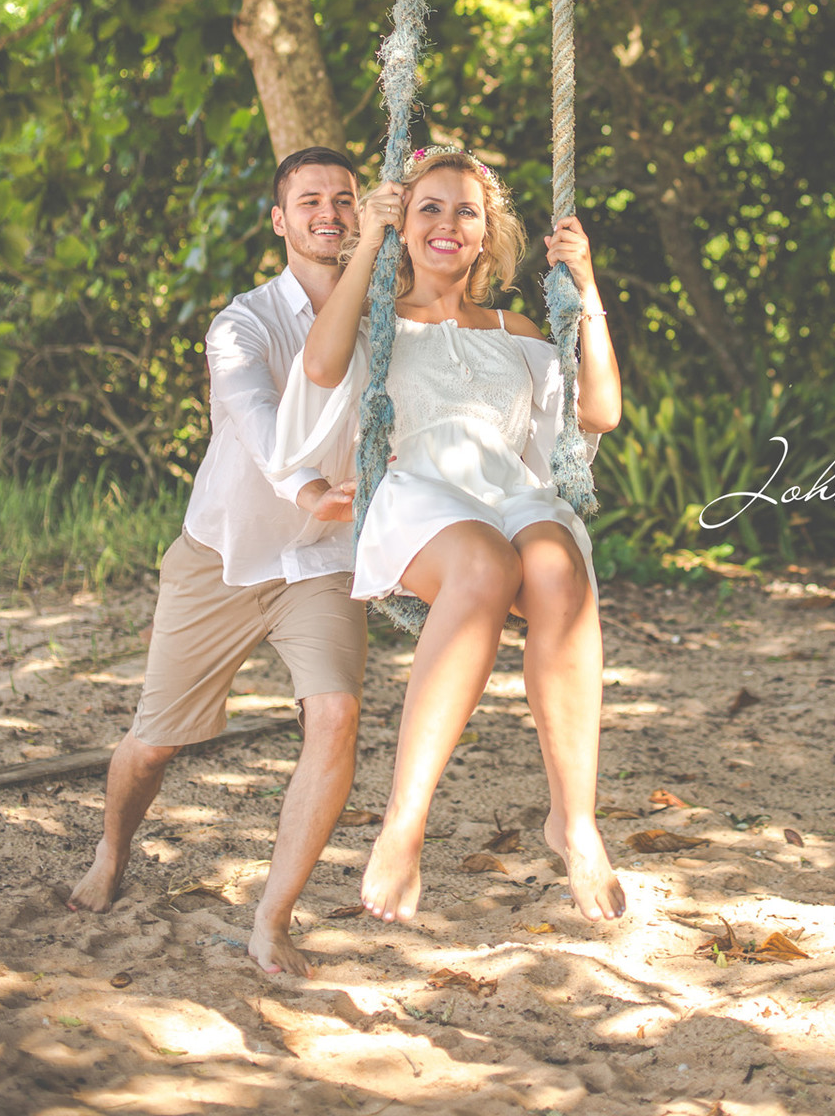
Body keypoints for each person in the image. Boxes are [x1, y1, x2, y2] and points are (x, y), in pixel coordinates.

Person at [268, 144, 627, 925]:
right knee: (484, 565)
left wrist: (587, 285)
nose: (447, 223)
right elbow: (321, 368)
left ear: (484, 233)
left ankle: (575, 820)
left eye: (466, 211)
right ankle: (405, 824)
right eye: (428, 208)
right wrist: (368, 235)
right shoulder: (375, 323)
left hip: (509, 490)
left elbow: (599, 412)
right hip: (420, 495)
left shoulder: (515, 328)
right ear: (403, 225)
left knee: (557, 564)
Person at [68, 147, 370, 979]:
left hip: (320, 561)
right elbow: (255, 416)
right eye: (310, 200)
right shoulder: (242, 323)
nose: (330, 213)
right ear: (280, 221)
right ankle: (112, 851)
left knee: (335, 714)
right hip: (222, 557)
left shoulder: (386, 321)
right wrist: (310, 487)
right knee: (152, 746)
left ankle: (272, 919)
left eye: (345, 199)